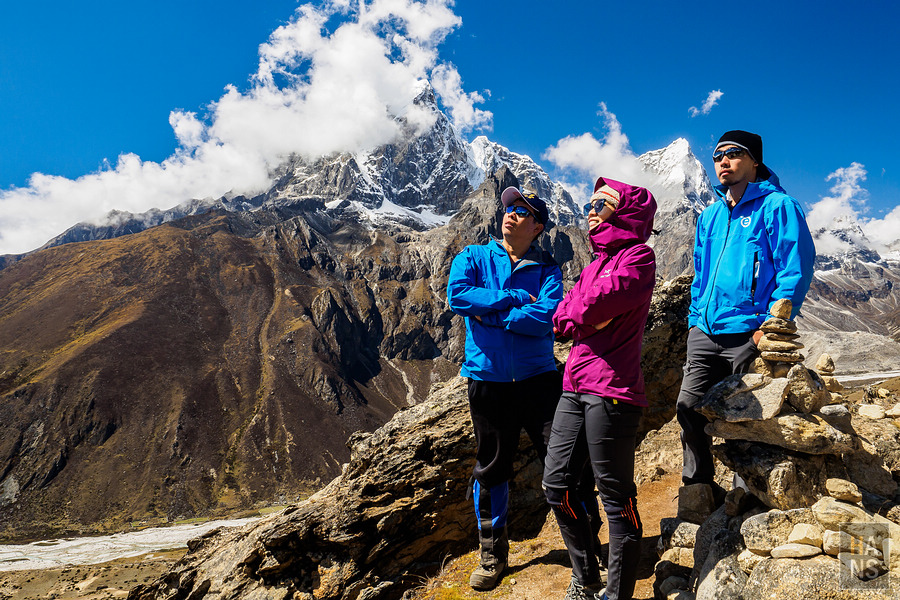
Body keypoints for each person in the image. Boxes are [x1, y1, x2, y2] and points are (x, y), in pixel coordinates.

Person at [676, 130, 815, 493]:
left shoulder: (778, 206)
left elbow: (794, 269)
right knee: (688, 407)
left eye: (734, 154)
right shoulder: (709, 216)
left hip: (749, 332)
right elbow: (701, 274)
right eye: (718, 155)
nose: (723, 160)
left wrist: (771, 326)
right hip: (705, 332)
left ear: (755, 162)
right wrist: (694, 320)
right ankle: (698, 486)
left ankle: (744, 493)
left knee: (745, 418)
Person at [543, 178, 657, 600]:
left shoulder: (638, 257)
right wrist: (580, 317)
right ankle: (586, 576)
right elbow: (564, 316)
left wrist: (580, 315)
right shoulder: (595, 263)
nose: (590, 210)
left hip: (613, 390)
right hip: (575, 383)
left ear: (624, 211)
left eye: (601, 204)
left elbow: (592, 305)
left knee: (616, 500)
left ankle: (616, 595)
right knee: (557, 486)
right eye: (589, 203)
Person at [446, 186, 564, 590]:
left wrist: (494, 316)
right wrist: (511, 297)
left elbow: (545, 316)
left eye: (522, 211)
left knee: (565, 461)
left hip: (539, 381)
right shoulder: (473, 256)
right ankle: (493, 554)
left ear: (538, 226)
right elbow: (458, 296)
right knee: (492, 467)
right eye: (509, 207)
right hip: (488, 381)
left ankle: (582, 544)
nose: (511, 214)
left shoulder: (549, 270)